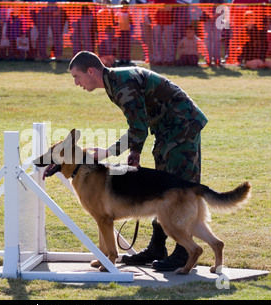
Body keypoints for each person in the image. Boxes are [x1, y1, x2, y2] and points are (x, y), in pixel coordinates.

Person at [69, 51, 208, 271]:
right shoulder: (114, 83)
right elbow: (139, 122)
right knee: (161, 190)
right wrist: (134, 150)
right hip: (166, 131)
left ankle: (183, 253)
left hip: (182, 127)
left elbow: (139, 127)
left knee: (178, 189)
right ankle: (157, 247)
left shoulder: (121, 85)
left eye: (77, 76)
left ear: (91, 71)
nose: (76, 83)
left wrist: (107, 152)